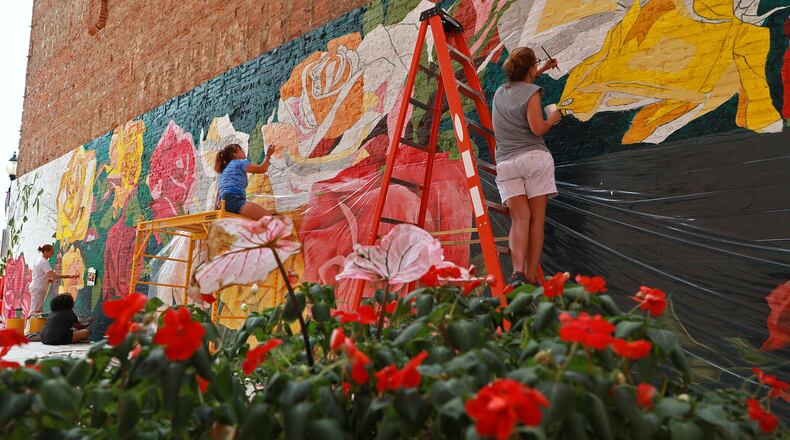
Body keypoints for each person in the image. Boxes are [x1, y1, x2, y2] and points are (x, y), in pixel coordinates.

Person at [492, 47, 560, 287]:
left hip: (506, 164)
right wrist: (552, 118)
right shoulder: (533, 93)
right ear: (530, 69)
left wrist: (541, 69)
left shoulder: (499, 93)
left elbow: (520, 87)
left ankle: (518, 272)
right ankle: (531, 277)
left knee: (520, 219)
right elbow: (537, 129)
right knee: (537, 221)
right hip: (533, 159)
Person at [214, 144, 274, 220]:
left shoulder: (224, 171)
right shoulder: (239, 162)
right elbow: (262, 169)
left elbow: (219, 192)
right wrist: (268, 154)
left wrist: (215, 212)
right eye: (240, 149)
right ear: (234, 154)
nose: (243, 151)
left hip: (223, 205)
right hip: (234, 201)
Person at [28, 244, 78, 318]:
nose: (52, 254)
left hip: (37, 287)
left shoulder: (39, 260)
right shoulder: (44, 262)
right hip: (38, 288)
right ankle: (29, 328)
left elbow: (41, 275)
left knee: (36, 310)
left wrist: (48, 280)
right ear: (45, 251)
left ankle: (32, 328)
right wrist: (69, 276)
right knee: (35, 311)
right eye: (51, 252)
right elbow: (54, 275)